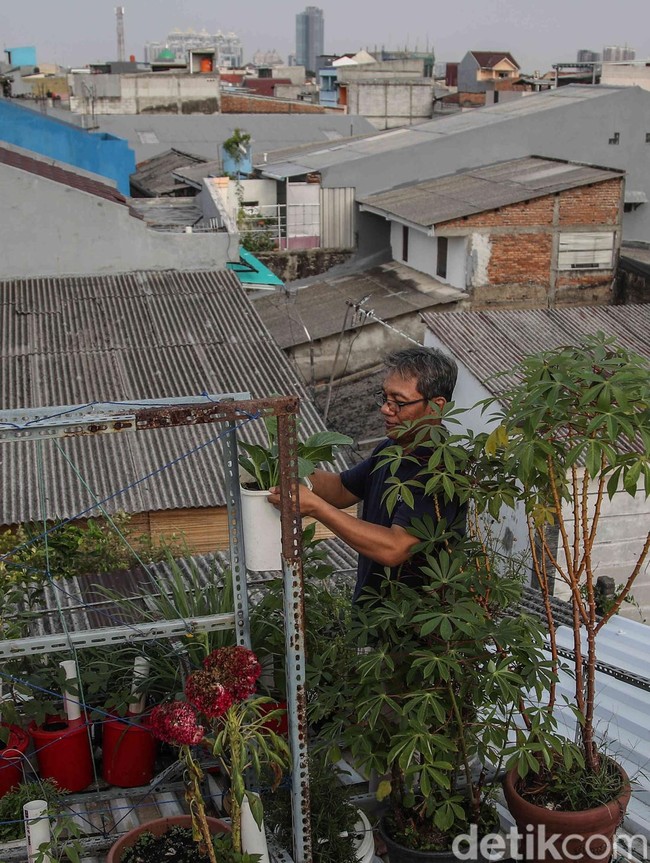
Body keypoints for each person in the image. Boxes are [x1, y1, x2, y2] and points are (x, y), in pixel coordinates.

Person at [269, 346, 465, 603]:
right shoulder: (392, 449)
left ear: (437, 406)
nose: (386, 409)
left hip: (416, 624)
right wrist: (288, 468)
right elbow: (341, 489)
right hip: (374, 610)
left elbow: (395, 547)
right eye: (384, 398)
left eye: (399, 402)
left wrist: (315, 507)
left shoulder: (441, 469)